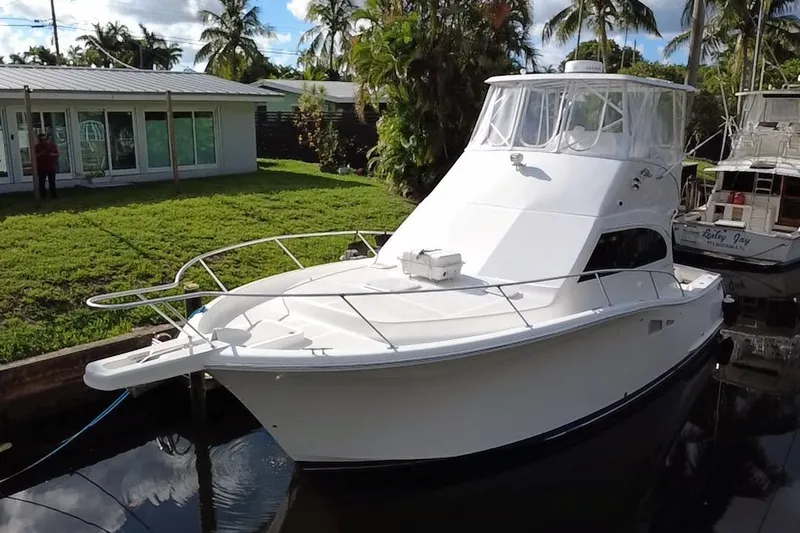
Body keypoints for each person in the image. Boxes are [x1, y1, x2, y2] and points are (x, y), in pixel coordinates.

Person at [35, 132, 59, 199]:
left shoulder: (52, 145)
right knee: (42, 182)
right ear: (39, 140)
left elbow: (57, 154)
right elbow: (35, 156)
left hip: (51, 166)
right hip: (41, 167)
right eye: (41, 140)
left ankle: (54, 195)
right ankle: (43, 196)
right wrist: (42, 152)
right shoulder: (37, 147)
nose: (44, 141)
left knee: (52, 182)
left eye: (45, 139)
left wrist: (53, 155)